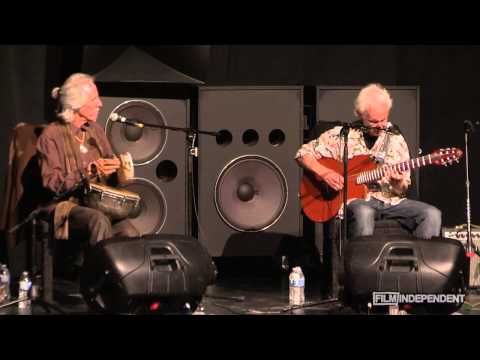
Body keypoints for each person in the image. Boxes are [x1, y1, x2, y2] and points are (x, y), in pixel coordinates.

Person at [295, 83, 441, 239]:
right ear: (360, 114)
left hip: (390, 202)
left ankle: (419, 262)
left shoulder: (396, 138)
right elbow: (302, 154)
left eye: (383, 120)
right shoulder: (341, 135)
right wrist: (325, 173)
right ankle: (360, 262)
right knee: (364, 212)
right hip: (356, 202)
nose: (380, 126)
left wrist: (397, 183)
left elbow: (402, 188)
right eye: (373, 122)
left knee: (431, 214)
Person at [36, 73, 139, 251]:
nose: (100, 104)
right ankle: (95, 278)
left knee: (129, 232)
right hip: (65, 207)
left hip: (96, 204)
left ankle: (120, 278)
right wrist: (87, 171)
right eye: (94, 99)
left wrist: (117, 170)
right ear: (76, 105)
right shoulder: (51, 135)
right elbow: (51, 183)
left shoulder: (96, 131)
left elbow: (108, 168)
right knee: (98, 221)